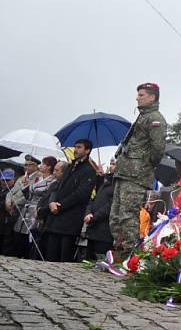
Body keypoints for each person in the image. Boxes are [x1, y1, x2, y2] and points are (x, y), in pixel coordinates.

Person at [110, 82, 167, 255]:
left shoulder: (155, 118)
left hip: (136, 174)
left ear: (152, 97)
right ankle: (118, 253)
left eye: (141, 95)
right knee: (116, 215)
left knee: (128, 215)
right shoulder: (143, 116)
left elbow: (158, 149)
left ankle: (129, 255)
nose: (137, 98)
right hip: (125, 172)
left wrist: (143, 164)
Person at [45, 140, 97, 262]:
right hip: (56, 219)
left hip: (71, 220)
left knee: (64, 258)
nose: (76, 150)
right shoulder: (70, 167)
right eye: (75, 147)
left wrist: (60, 206)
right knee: (50, 256)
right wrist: (52, 202)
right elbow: (58, 186)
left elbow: (81, 194)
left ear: (87, 150)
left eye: (79, 147)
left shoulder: (89, 170)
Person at [15, 156, 58, 259]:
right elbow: (28, 194)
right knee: (19, 235)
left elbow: (45, 196)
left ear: (48, 167)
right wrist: (26, 184)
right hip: (27, 208)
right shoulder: (38, 179)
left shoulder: (52, 181)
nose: (40, 166)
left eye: (43, 164)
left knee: (31, 236)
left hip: (36, 209)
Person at [4, 155, 42, 257]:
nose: (26, 167)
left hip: (23, 209)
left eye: (30, 165)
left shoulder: (37, 178)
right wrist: (8, 202)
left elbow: (29, 196)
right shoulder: (22, 178)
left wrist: (15, 203)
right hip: (13, 208)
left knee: (19, 236)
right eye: (25, 165)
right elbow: (10, 192)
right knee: (9, 233)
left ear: (36, 166)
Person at [84, 159, 116, 260]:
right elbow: (93, 199)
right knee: (88, 260)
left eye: (114, 164)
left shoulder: (117, 185)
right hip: (93, 229)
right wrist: (88, 213)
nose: (111, 166)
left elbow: (110, 206)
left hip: (104, 232)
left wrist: (94, 216)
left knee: (100, 261)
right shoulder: (105, 182)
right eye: (110, 164)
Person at [37, 161, 68, 259]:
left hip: (53, 221)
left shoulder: (64, 186)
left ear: (64, 172)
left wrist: (42, 211)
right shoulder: (54, 184)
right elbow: (44, 199)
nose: (54, 172)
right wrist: (38, 209)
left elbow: (53, 203)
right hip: (44, 220)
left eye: (57, 170)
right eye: (54, 169)